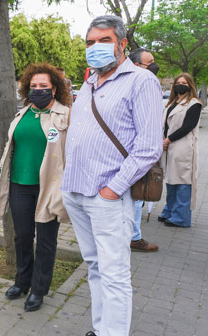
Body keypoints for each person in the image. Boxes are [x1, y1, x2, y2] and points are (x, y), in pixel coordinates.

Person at [61, 16, 163, 336]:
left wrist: (113, 189)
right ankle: (101, 329)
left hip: (107, 195)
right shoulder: (90, 82)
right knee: (94, 266)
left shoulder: (141, 81)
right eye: (90, 42)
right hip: (77, 191)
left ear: (122, 44)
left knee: (115, 274)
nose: (95, 48)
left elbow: (148, 148)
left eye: (103, 41)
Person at [0, 63, 71, 312]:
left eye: (44, 86)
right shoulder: (23, 114)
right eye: (33, 86)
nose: (38, 90)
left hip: (49, 187)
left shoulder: (65, 115)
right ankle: (22, 282)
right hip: (20, 185)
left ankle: (39, 289)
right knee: (23, 237)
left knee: (47, 240)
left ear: (54, 89)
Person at [125, 48, 160, 252]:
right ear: (137, 66)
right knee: (135, 199)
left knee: (136, 200)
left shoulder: (146, 84)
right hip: (133, 155)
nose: (155, 66)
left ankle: (133, 236)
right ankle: (133, 237)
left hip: (137, 154)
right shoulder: (138, 85)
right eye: (150, 62)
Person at [158, 73, 202, 228]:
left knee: (182, 181)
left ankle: (181, 217)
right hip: (169, 147)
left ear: (190, 85)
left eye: (184, 82)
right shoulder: (171, 103)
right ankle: (169, 211)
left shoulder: (194, 104)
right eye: (178, 82)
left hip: (182, 147)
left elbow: (187, 126)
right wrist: (162, 140)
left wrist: (168, 140)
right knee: (170, 180)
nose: (180, 85)